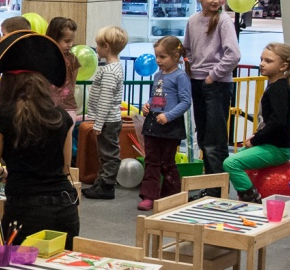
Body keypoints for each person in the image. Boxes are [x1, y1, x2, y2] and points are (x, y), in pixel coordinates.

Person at [0, 31, 79, 247]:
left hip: (24, 208)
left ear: (7, 83)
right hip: (64, 206)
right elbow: (65, 168)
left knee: (20, 267)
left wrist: (3, 172)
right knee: (61, 266)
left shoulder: (2, 116)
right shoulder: (61, 116)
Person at [184, 0, 241, 195]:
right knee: (203, 137)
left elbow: (233, 55)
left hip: (216, 85)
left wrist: (213, 76)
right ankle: (210, 187)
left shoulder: (224, 21)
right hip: (197, 82)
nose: (216, 0)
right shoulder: (193, 20)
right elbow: (188, 48)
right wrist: (191, 69)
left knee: (215, 141)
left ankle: (217, 190)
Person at [223, 43, 290, 202]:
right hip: (273, 143)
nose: (262, 64)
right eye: (261, 59)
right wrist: (256, 137)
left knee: (231, 163)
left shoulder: (278, 89)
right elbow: (270, 122)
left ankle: (251, 199)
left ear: (283, 66)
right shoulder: (275, 86)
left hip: (278, 148)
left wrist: (256, 140)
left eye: (268, 61)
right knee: (241, 153)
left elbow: (278, 123)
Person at [138, 36, 192, 211]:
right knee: (151, 161)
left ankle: (171, 196)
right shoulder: (158, 75)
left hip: (170, 126)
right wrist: (147, 105)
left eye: (162, 57)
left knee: (167, 163)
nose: (158, 60)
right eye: (156, 56)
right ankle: (149, 196)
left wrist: (168, 116)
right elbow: (155, 96)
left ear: (175, 56)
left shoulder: (180, 77)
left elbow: (185, 102)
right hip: (153, 123)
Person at [82, 25, 128, 200]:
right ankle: (101, 182)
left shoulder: (110, 71)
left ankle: (107, 185)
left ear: (106, 47)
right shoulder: (112, 67)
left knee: (109, 154)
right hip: (108, 119)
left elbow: (105, 99)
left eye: (98, 45)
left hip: (108, 120)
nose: (96, 49)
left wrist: (98, 123)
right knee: (104, 153)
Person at [45, 17, 81, 121]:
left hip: (68, 106)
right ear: (54, 38)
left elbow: (73, 83)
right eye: (67, 41)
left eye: (72, 41)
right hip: (47, 107)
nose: (70, 45)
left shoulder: (73, 59)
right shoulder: (44, 58)